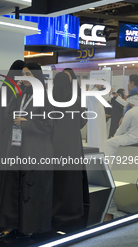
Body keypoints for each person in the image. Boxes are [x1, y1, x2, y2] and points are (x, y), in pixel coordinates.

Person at [0, 62, 54, 238]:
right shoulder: (22, 94)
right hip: (18, 146)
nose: (24, 78)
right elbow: (8, 114)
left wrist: (28, 124)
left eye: (28, 74)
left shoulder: (45, 96)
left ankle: (29, 225)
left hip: (36, 149)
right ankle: (12, 223)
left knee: (31, 188)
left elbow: (49, 125)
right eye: (22, 74)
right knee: (14, 186)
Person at [51, 72, 89, 222]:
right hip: (72, 143)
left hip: (55, 144)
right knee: (71, 177)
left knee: (56, 177)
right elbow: (82, 122)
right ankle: (72, 208)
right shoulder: (76, 100)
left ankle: (54, 208)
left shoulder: (50, 100)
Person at [0, 59, 26, 211]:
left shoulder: (8, 85)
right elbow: (8, 112)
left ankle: (6, 197)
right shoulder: (9, 87)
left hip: (7, 131)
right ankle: (6, 198)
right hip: (10, 131)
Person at [103, 92, 138, 160]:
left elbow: (122, 128)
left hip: (133, 138)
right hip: (137, 137)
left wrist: (114, 137)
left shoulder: (131, 112)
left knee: (108, 143)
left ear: (131, 102)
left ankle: (108, 167)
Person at [86, 81, 107, 152]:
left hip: (98, 118)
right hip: (96, 119)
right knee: (96, 133)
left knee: (99, 133)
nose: (101, 85)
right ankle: (97, 149)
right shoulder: (93, 91)